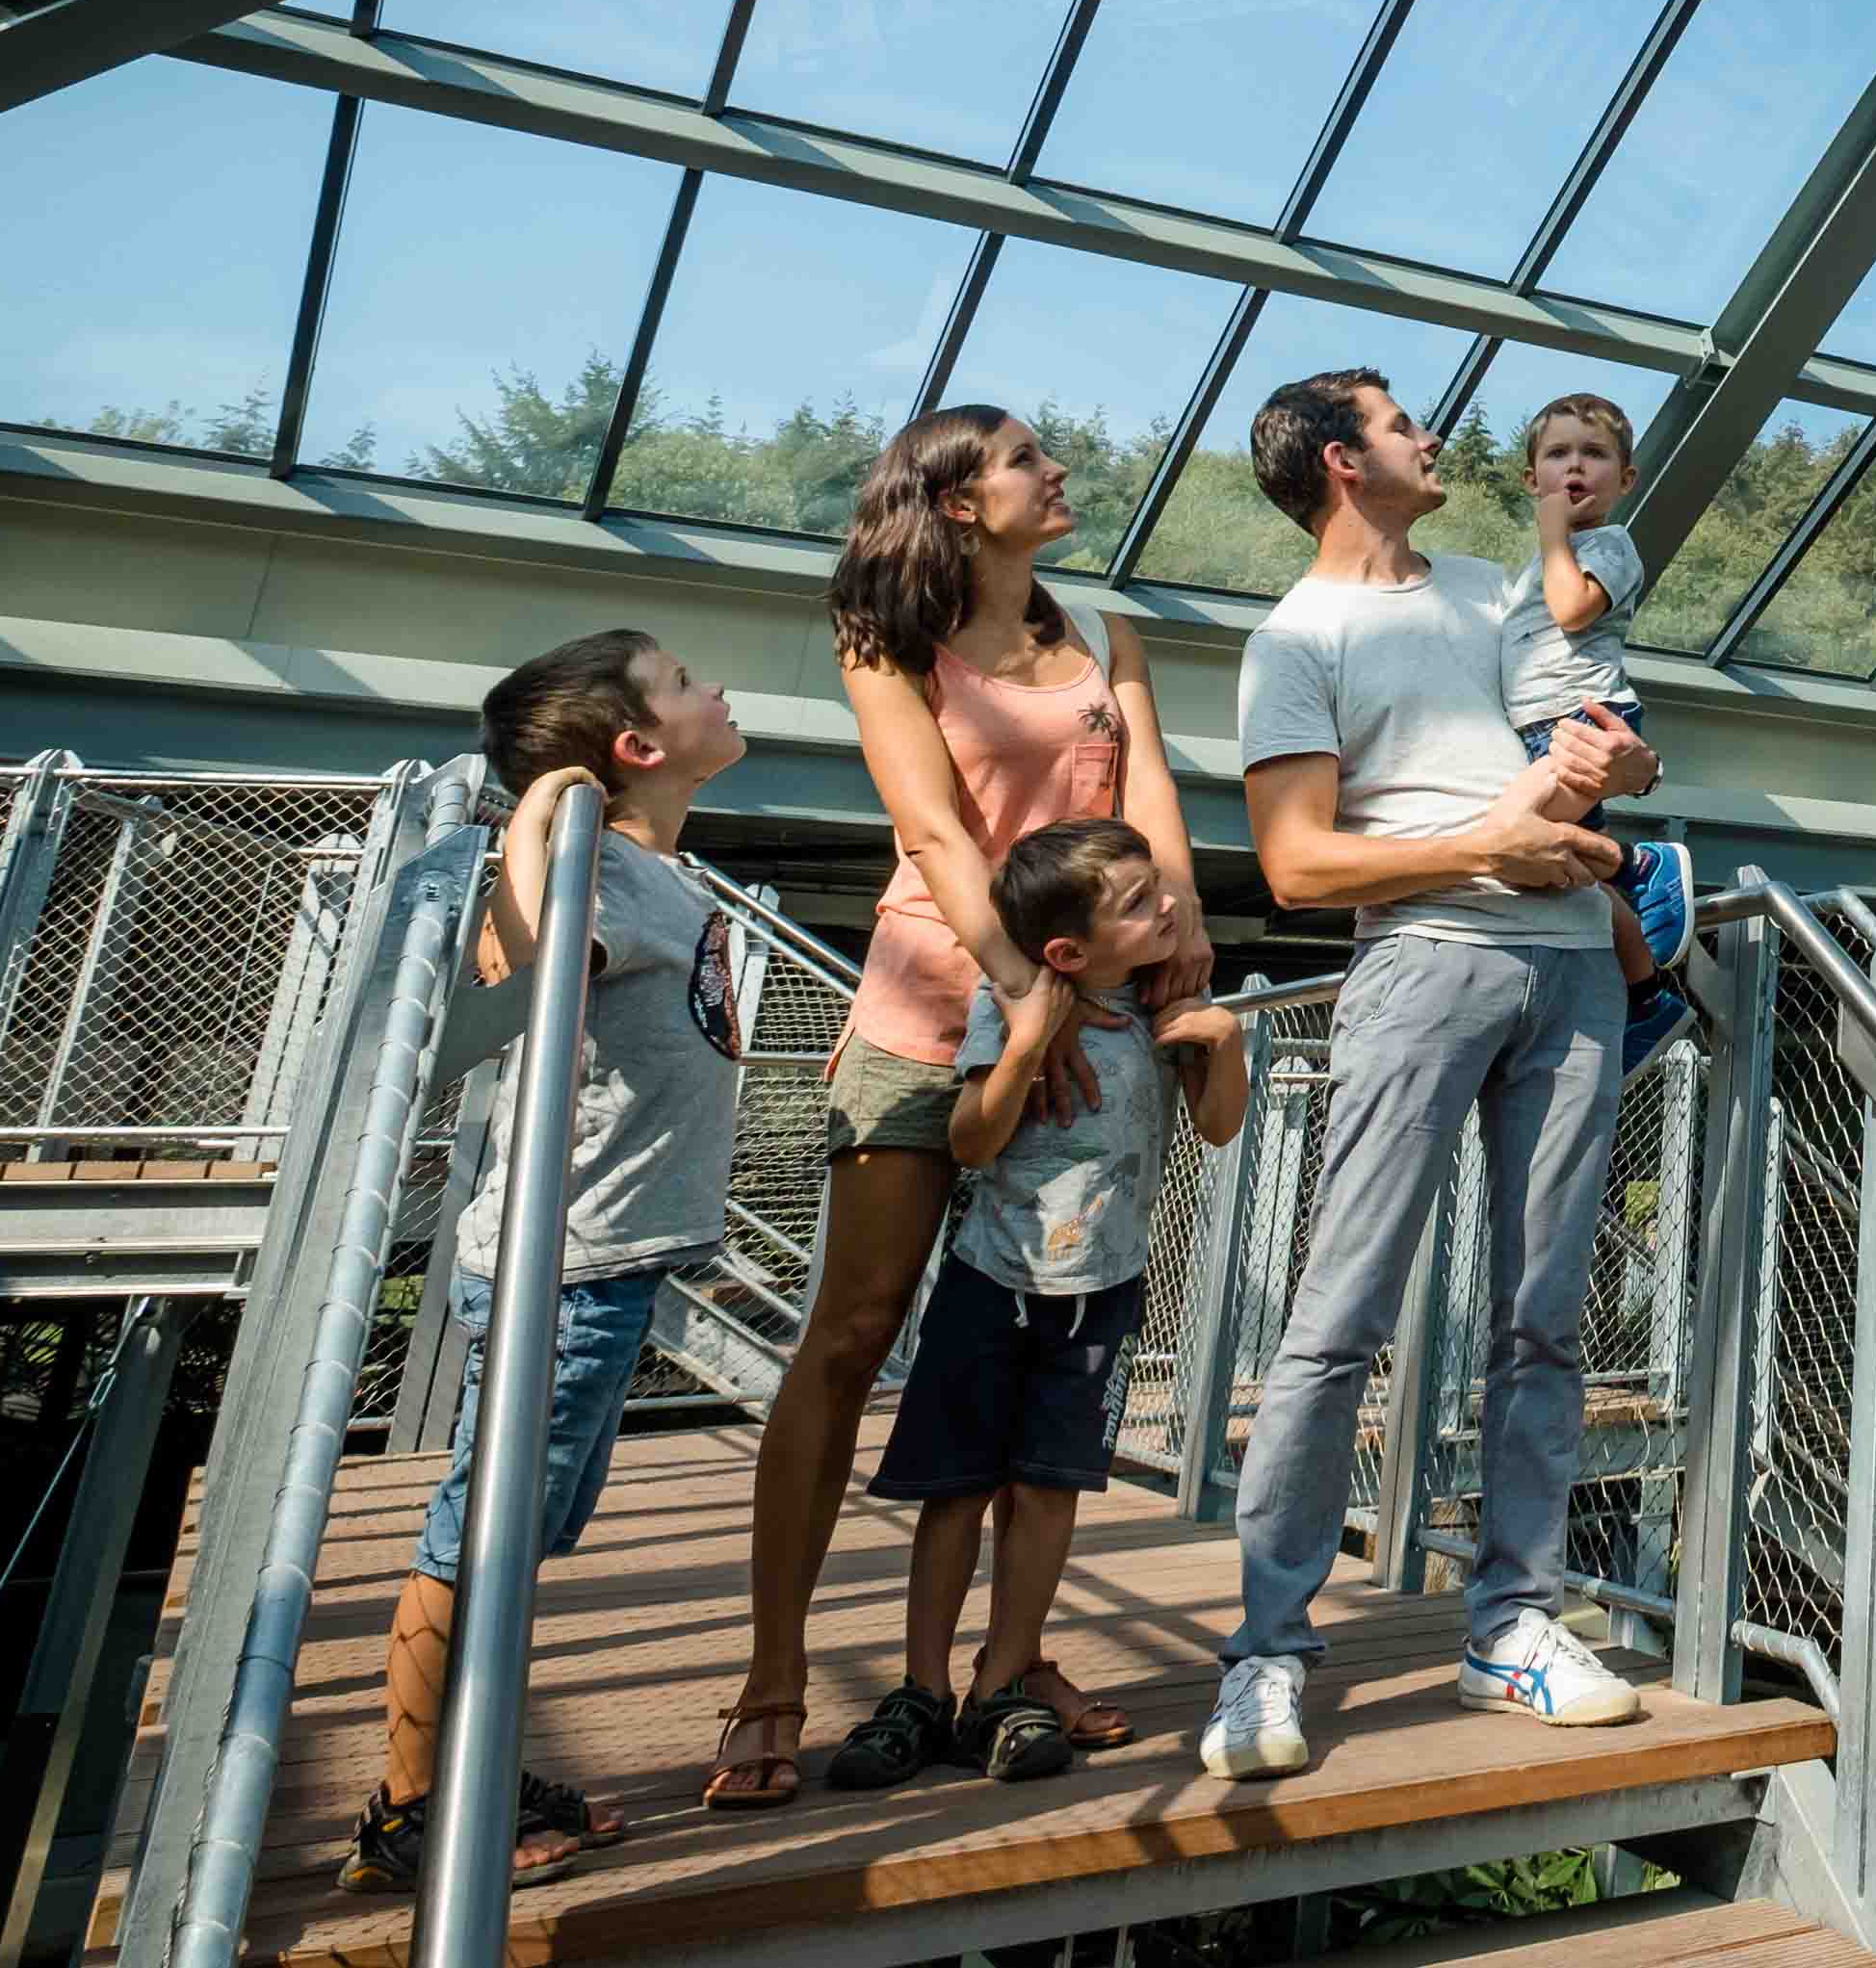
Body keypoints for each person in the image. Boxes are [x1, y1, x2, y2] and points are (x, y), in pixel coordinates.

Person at [712, 408, 1212, 1813]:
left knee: (1040, 1333)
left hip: (1087, 1024)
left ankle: (1008, 1661)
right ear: (954, 501)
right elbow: (932, 828)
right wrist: (1021, 994)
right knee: (855, 1333)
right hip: (931, 1017)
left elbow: (1150, 786)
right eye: (1026, 460)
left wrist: (1178, 928)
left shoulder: (1106, 632)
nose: (1060, 471)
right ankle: (770, 1679)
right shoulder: (888, 641)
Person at [1203, 368, 1657, 1778]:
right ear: (1343, 463)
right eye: (1403, 423)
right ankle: (1266, 1648)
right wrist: (1486, 848)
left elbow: (1573, 732)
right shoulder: (1298, 636)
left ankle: (1511, 1623)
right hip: (1426, 965)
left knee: (1544, 1319)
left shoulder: (1499, 584)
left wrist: (1618, 768)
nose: (1434, 436)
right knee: (1338, 1315)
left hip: (1575, 962)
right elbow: (1296, 865)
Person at [344, 631, 750, 1893]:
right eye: (687, 684)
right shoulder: (602, 871)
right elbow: (513, 971)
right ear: (635, 746)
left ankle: (471, 1757)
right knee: (484, 1531)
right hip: (562, 1267)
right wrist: (537, 822)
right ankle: (413, 1805)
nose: (719, 689)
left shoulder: (657, 876)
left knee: (526, 1530)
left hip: (605, 1263)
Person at [829, 819, 1249, 1789]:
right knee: (956, 1492)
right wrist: (1023, 1044)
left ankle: (1001, 1682)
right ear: (1066, 952)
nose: (1169, 907)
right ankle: (921, 1691)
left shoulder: (1167, 1006)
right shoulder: (1011, 1001)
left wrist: (1219, 1040)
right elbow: (972, 1141)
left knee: (1049, 1492)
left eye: (1160, 891)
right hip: (993, 1282)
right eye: (1139, 903)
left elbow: (1218, 1128)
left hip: (1100, 1294)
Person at [1507, 394, 1696, 1075]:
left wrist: (1554, 535)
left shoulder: (1609, 547)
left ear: (1626, 479)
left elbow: (1572, 606)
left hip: (1585, 719)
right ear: (1531, 478)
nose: (1575, 467)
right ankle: (1647, 998)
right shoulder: (1527, 571)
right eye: (1557, 454)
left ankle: (1640, 870)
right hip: (1541, 725)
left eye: (1593, 454)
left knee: (1530, 842)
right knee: (1560, 867)